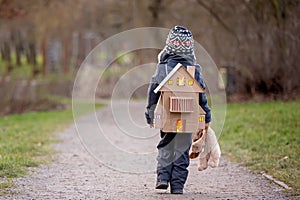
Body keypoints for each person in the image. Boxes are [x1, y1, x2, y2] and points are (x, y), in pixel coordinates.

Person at [145, 25, 212, 194]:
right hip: (187, 118)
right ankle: (177, 186)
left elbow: (153, 90)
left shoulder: (163, 68)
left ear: (169, 46)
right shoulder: (194, 70)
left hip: (168, 117)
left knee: (166, 145)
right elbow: (201, 95)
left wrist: (150, 112)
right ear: (190, 48)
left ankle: (162, 178)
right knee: (182, 150)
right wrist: (207, 116)